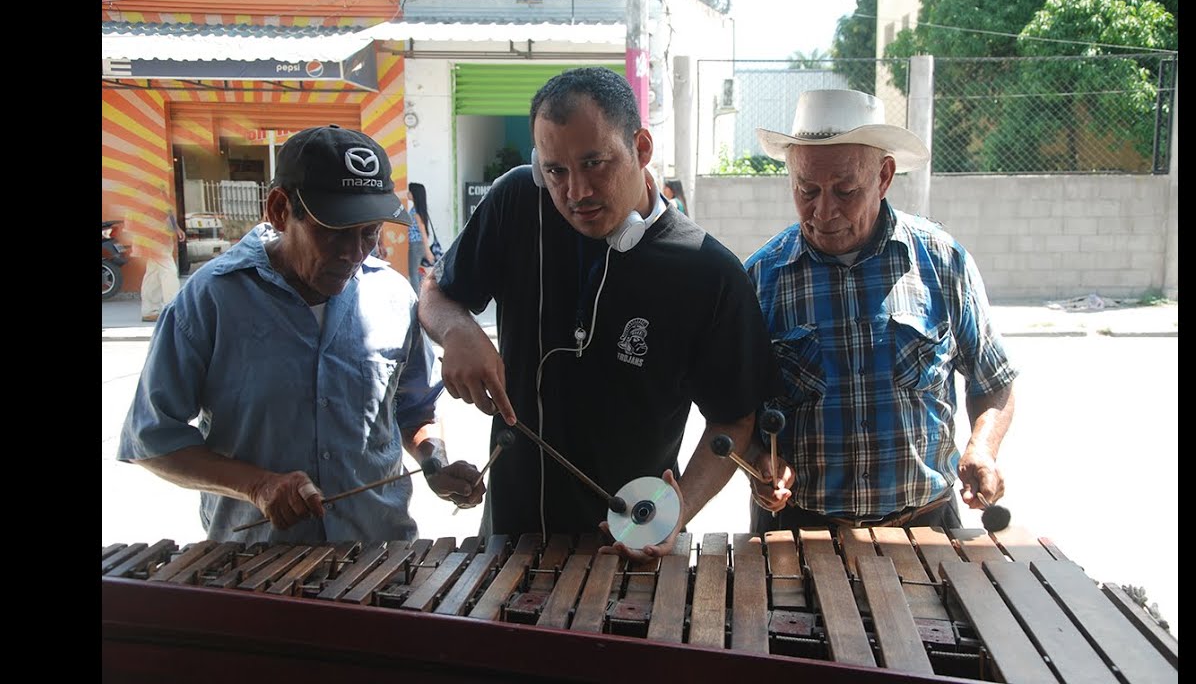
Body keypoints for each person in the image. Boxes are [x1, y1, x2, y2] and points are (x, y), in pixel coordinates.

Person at [419, 67, 777, 561]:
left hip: (630, 549)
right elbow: (436, 292)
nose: (576, 192)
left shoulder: (709, 272)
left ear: (642, 148)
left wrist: (677, 513)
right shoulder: (516, 202)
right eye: (555, 171)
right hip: (509, 541)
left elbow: (733, 420)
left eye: (594, 163)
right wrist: (458, 330)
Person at [118, 124, 485, 544]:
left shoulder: (393, 295)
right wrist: (257, 486)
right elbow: (152, 438)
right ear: (279, 210)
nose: (354, 253)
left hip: (379, 552)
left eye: (369, 233)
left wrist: (435, 464)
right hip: (258, 562)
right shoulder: (210, 300)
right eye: (334, 231)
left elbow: (415, 410)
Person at [744, 89, 1019, 534]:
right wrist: (758, 459)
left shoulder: (942, 262)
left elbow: (994, 381)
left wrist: (982, 448)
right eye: (807, 190)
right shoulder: (760, 278)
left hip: (926, 525)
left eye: (846, 190)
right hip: (799, 529)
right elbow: (734, 409)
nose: (823, 210)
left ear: (884, 176)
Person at [139, 209, 186, 322]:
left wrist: (176, 228)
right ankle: (173, 310)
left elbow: (167, 209)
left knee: (153, 273)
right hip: (154, 233)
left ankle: (150, 311)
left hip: (158, 233)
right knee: (168, 271)